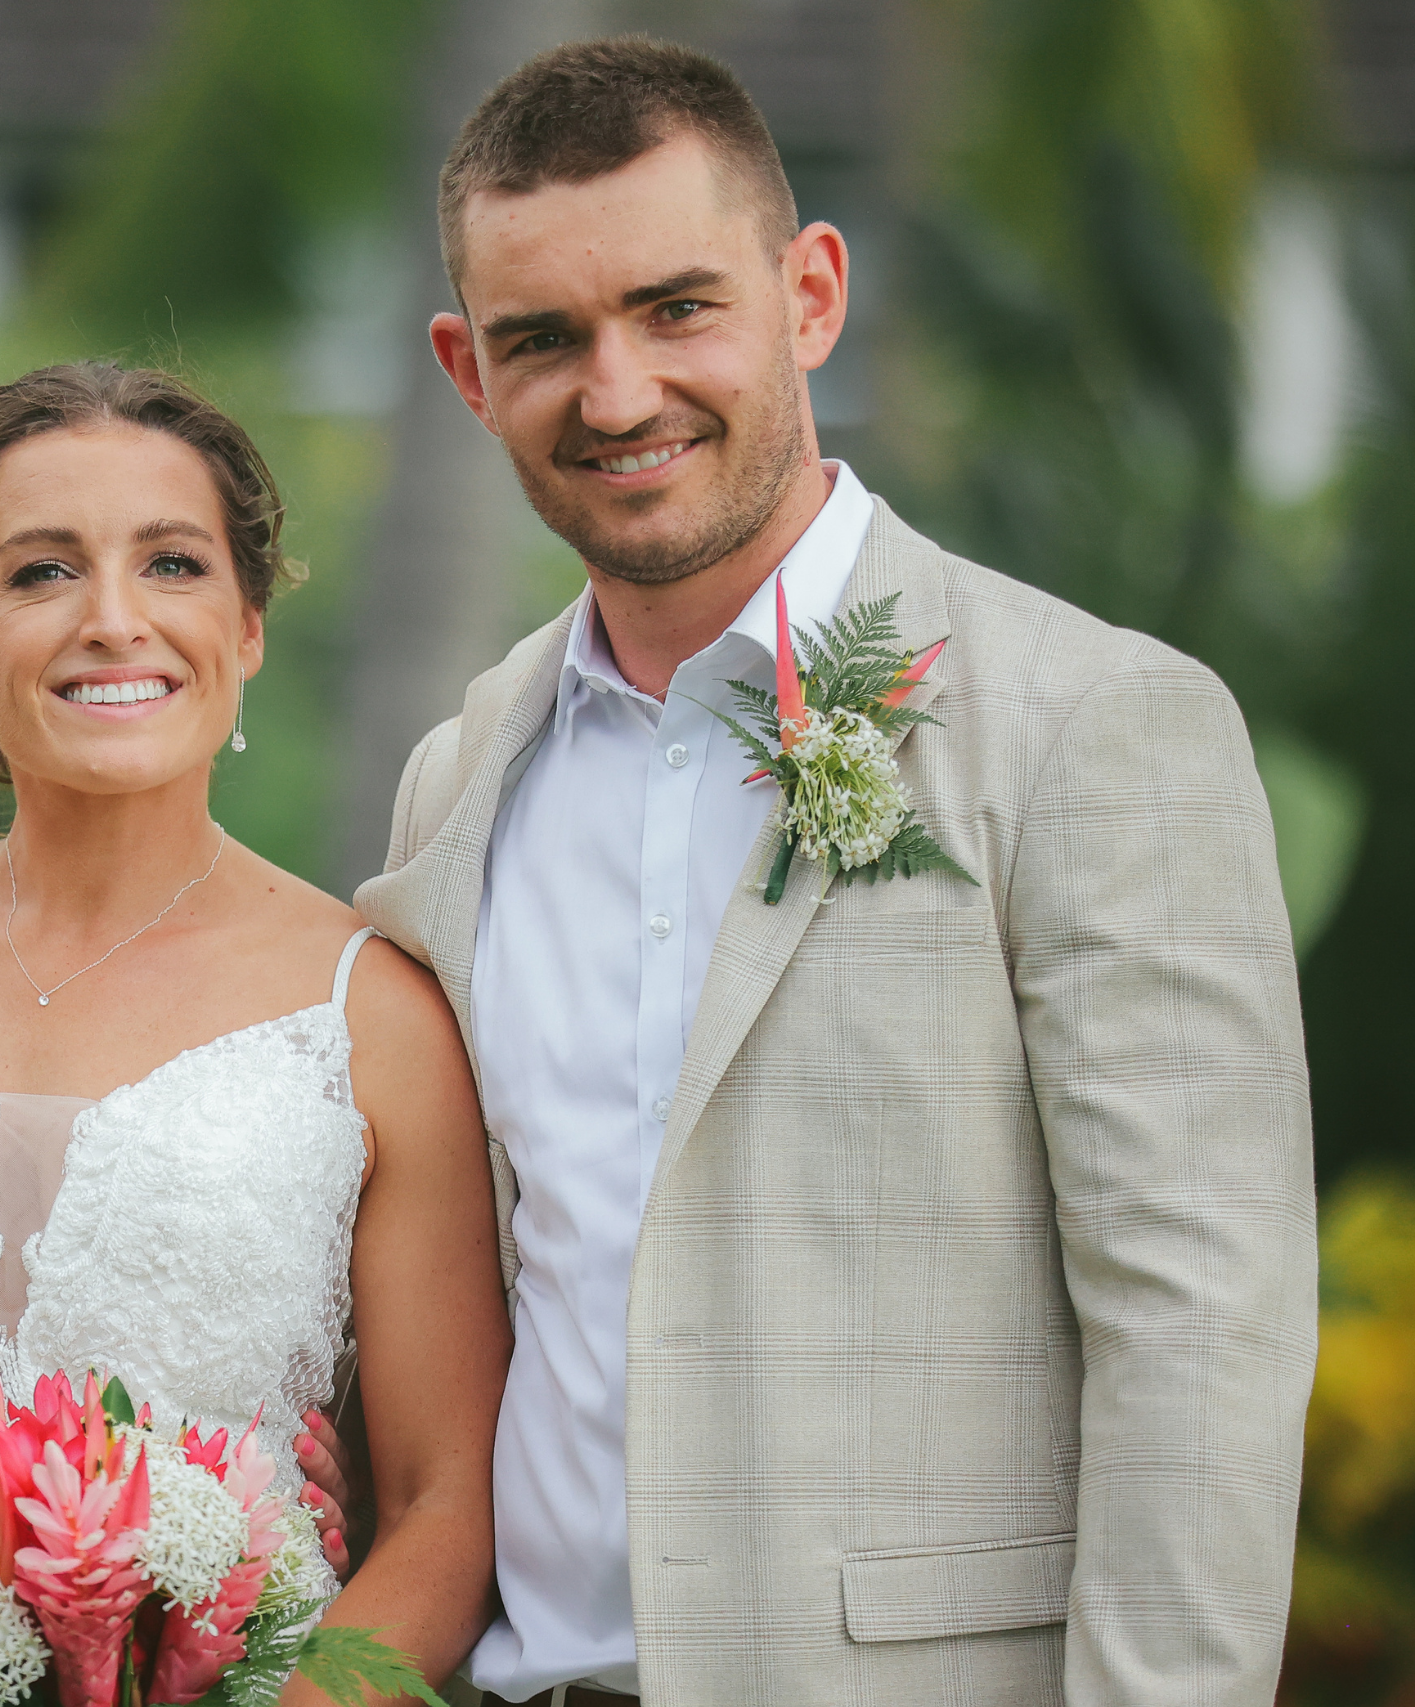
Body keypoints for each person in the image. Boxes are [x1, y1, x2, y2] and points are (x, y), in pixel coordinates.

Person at [354, 38, 1316, 1707]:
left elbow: (1200, 1340)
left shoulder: (1091, 724)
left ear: (810, 295)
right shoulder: (463, 773)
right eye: (543, 338)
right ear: (465, 368)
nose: (617, 394)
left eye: (677, 308)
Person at [0, 363, 510, 1700]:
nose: (114, 620)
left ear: (247, 627)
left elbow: (448, 1506)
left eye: (172, 564)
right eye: (44, 572)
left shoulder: (375, 1011)